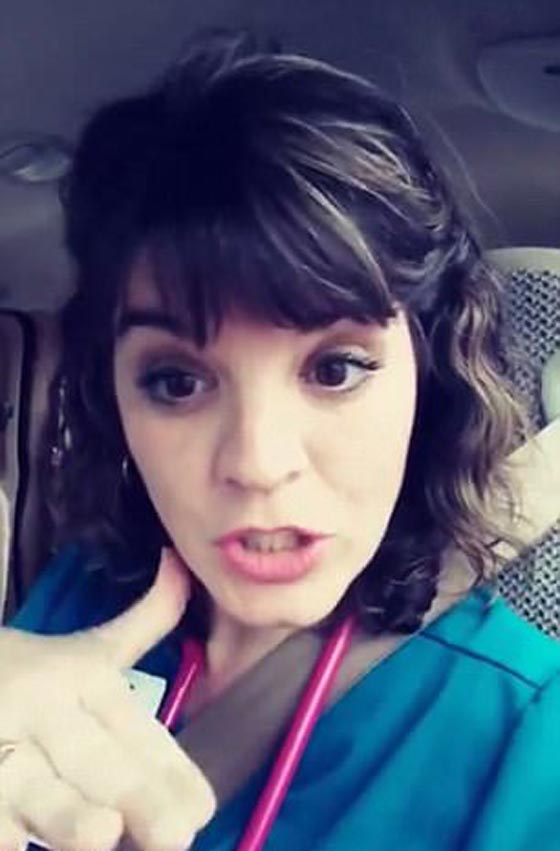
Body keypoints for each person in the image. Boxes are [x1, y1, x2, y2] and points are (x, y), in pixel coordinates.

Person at [1, 28, 559, 851]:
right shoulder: (72, 600)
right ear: (113, 400)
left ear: (428, 375)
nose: (258, 464)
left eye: (335, 369)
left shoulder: (530, 734)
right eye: (177, 382)